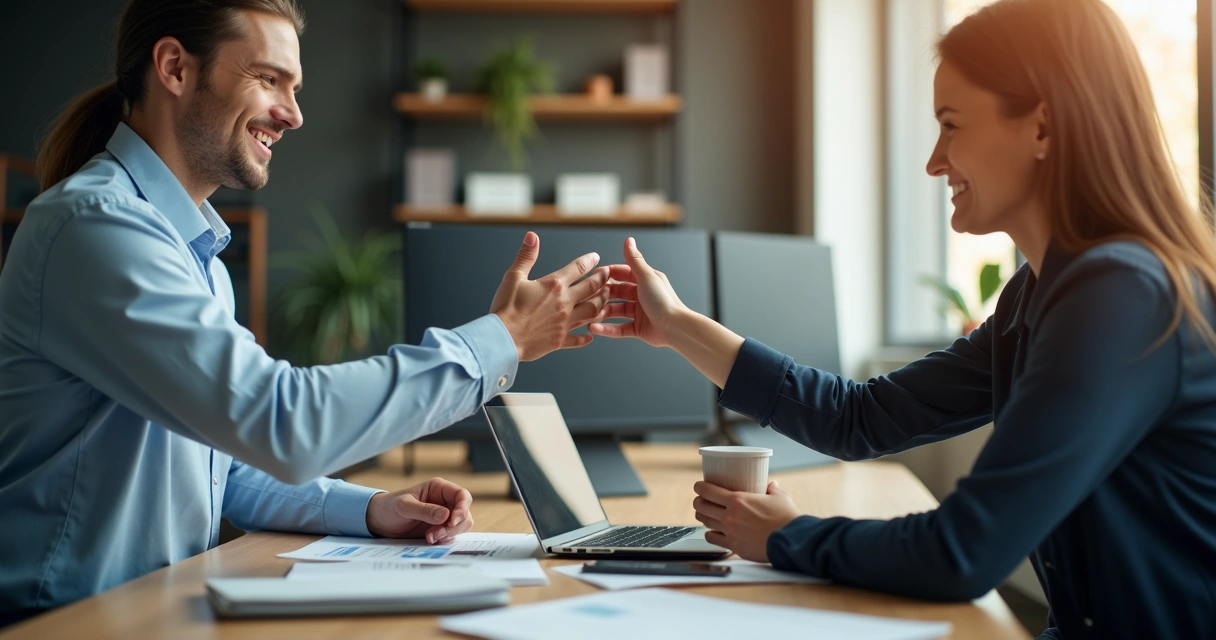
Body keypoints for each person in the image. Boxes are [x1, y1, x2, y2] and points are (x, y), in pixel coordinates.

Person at [589, 0, 1216, 637]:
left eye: (951, 125)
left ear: (1043, 129)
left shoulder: (1121, 297)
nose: (934, 161)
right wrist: (674, 326)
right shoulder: (1038, 293)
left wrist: (790, 537)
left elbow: (964, 552)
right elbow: (859, 418)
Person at [0, 0, 612, 624]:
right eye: (268, 79)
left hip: (151, 612)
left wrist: (373, 510)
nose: (292, 114)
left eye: (294, 88)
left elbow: (226, 466)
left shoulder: (198, 258)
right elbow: (279, 422)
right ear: (175, 68)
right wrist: (501, 340)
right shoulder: (97, 228)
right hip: (62, 623)